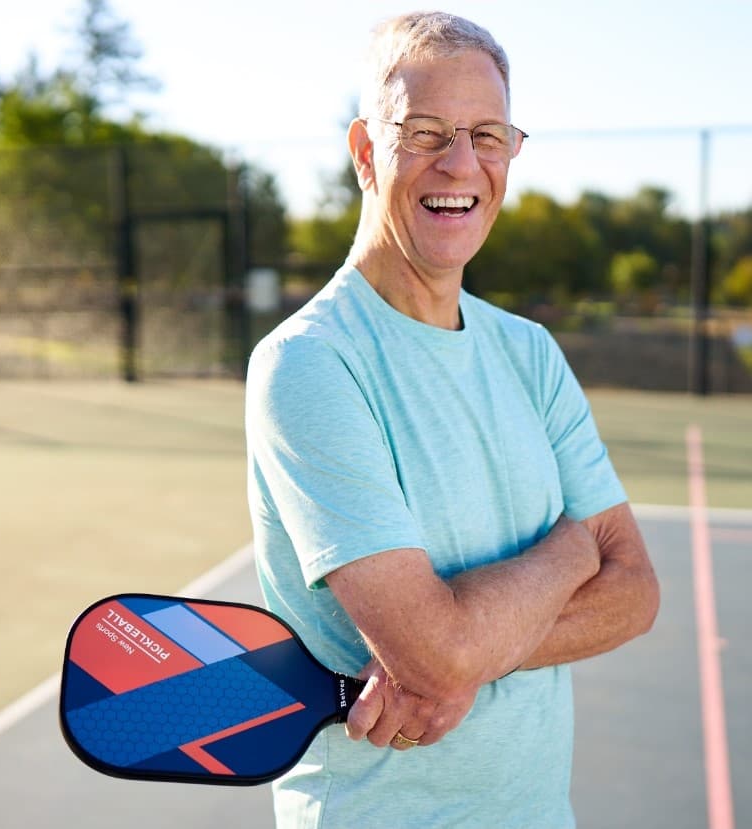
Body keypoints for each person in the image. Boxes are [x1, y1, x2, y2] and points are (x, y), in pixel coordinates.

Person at [244, 10, 660, 829]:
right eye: (426, 132)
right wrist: (573, 548)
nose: (461, 163)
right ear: (366, 152)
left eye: (487, 135)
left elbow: (636, 592)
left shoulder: (529, 352)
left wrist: (466, 653)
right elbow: (435, 649)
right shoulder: (310, 363)